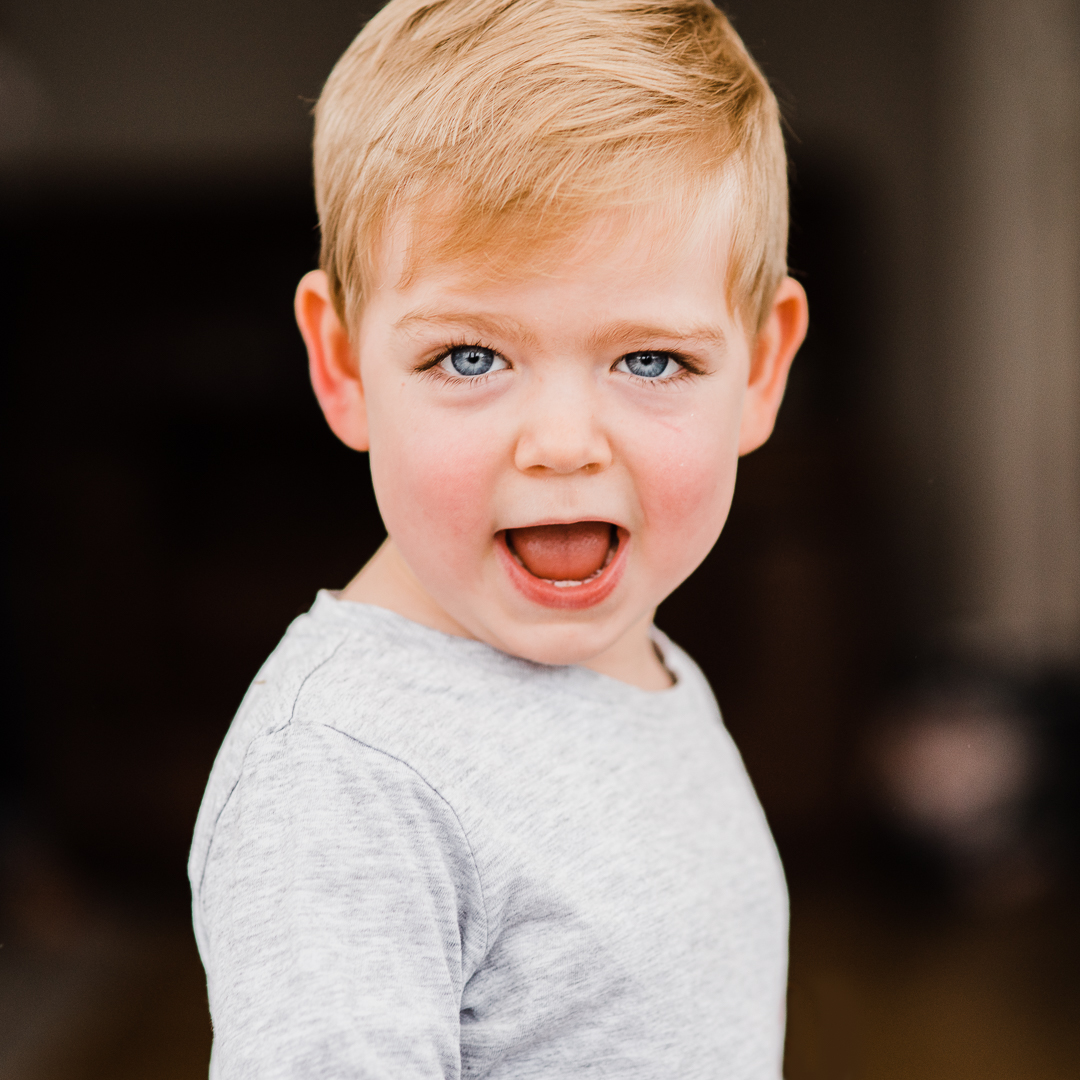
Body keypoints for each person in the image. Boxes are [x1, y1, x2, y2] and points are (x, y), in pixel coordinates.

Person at [188, 0, 809, 1075]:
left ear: (759, 371)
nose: (563, 445)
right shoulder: (343, 782)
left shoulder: (653, 671)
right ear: (342, 367)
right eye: (470, 357)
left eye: (651, 361)